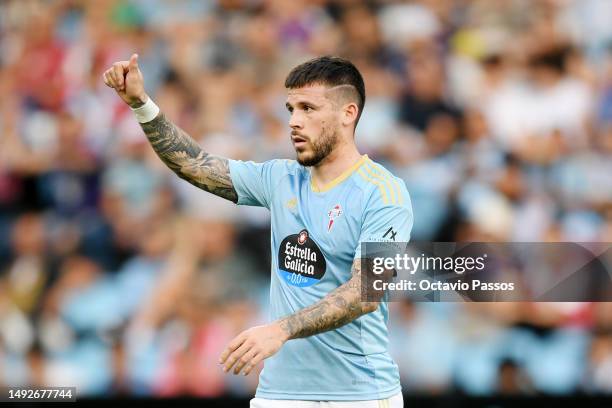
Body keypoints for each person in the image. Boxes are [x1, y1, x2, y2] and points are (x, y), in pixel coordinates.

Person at [103, 54, 412, 407]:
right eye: (291, 109)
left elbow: (365, 293)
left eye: (308, 109)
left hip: (359, 396)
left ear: (348, 113)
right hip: (279, 393)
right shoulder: (280, 179)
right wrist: (141, 104)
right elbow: (195, 165)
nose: (294, 122)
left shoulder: (383, 193)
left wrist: (281, 329)